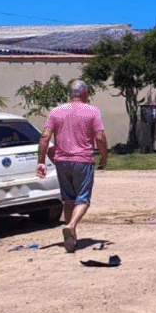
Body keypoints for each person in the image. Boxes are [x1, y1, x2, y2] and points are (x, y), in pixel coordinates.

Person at [36, 80, 107, 253]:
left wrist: (41, 161)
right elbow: (100, 137)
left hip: (62, 161)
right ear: (85, 94)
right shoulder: (92, 111)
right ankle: (72, 225)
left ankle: (70, 237)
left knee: (68, 199)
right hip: (83, 160)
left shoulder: (56, 111)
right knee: (83, 199)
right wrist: (104, 156)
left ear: (70, 94)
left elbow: (45, 137)